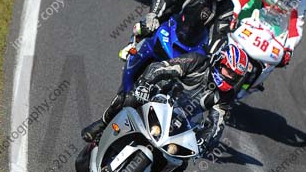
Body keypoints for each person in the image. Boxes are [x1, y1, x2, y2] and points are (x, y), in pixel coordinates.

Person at [81, 42, 251, 158]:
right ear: (219, 62)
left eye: (235, 76)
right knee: (128, 99)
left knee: (180, 163)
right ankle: (101, 124)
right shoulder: (197, 62)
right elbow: (161, 67)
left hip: (182, 124)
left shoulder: (226, 97)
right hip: (158, 98)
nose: (230, 78)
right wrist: (145, 85)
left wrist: (204, 143)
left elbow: (217, 124)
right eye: (229, 71)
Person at [229, 0, 306, 87]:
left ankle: (252, 83)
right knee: (228, 26)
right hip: (255, 14)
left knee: (276, 58)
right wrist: (233, 15)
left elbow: (296, 29)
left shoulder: (301, 0)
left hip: (276, 28)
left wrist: (289, 48)